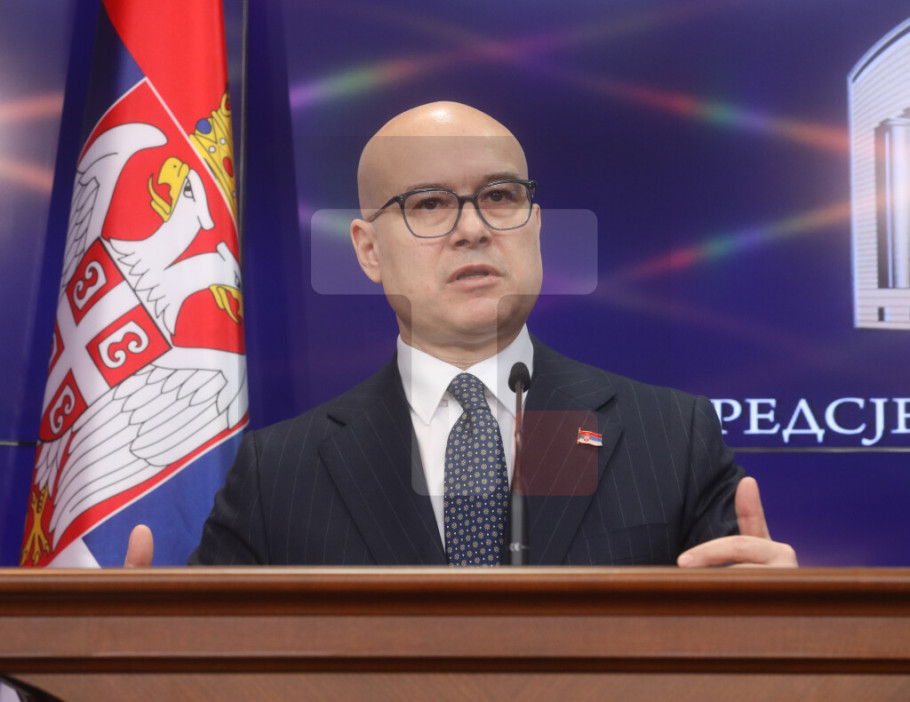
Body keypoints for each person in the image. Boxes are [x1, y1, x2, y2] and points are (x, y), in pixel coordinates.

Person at [125, 101, 796, 568]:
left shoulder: (672, 438)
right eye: (429, 204)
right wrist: (139, 651)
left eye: (500, 196)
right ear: (367, 249)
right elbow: (213, 664)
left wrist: (775, 621)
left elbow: (739, 650)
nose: (473, 228)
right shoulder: (278, 474)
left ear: (535, 225)